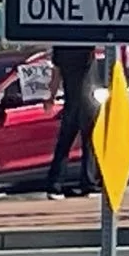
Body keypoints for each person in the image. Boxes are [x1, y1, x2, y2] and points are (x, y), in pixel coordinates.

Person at [42, 44, 99, 198]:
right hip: (88, 101)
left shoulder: (60, 48)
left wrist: (50, 97)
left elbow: (56, 75)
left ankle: (55, 185)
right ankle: (88, 183)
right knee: (89, 144)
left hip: (71, 101)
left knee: (64, 144)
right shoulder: (87, 47)